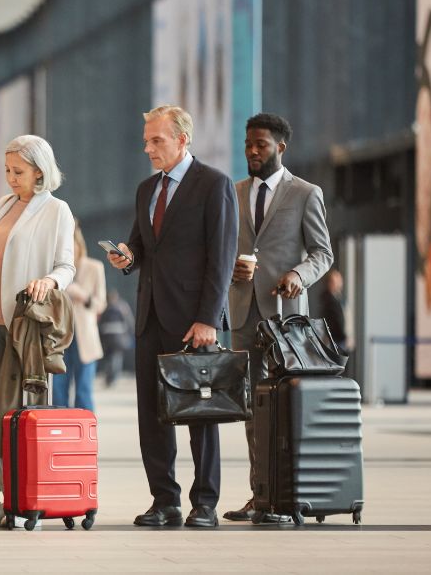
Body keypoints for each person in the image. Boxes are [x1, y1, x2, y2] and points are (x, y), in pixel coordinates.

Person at [107, 105, 237, 529]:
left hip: (192, 321)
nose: (148, 148)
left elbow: (221, 259)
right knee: (153, 416)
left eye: (156, 140)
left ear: (182, 139)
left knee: (201, 415)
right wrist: (125, 259)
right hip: (150, 317)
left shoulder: (213, 185)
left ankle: (205, 504)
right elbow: (140, 248)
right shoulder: (147, 189)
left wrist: (208, 320)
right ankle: (165, 500)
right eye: (146, 141)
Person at [0, 134, 76, 528]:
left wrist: (49, 281)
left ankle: (31, 499)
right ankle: (10, 497)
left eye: (18, 171)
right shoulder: (3, 204)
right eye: (7, 170)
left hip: (25, 326)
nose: (11, 178)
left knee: (26, 415)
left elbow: (66, 266)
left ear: (40, 171)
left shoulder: (56, 211)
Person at [223, 113, 334, 523]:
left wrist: (296, 275)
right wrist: (231, 267)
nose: (252, 151)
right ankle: (261, 495)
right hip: (243, 315)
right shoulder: (232, 193)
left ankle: (288, 498)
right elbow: (220, 250)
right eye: (248, 144)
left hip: (286, 321)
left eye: (261, 145)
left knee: (286, 408)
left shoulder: (306, 193)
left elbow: (323, 253)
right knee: (252, 409)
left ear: (280, 147)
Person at [52, 224, 107, 412]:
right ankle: (61, 434)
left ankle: (85, 436)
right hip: (59, 337)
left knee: (84, 391)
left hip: (86, 339)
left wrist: (82, 295)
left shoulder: (94, 267)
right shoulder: (54, 270)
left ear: (78, 244)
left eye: (71, 244)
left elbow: (101, 304)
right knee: (58, 392)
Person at [97, 290, 136, 387]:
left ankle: (109, 377)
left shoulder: (104, 306)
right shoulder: (122, 307)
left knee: (108, 358)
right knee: (116, 358)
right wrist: (131, 334)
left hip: (106, 338)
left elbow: (99, 322)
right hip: (119, 338)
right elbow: (129, 322)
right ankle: (113, 378)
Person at [316, 268, 347, 352]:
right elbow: (334, 321)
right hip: (335, 339)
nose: (338, 283)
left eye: (339, 280)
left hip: (339, 339)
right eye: (334, 281)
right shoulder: (328, 299)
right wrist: (344, 337)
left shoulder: (338, 297)